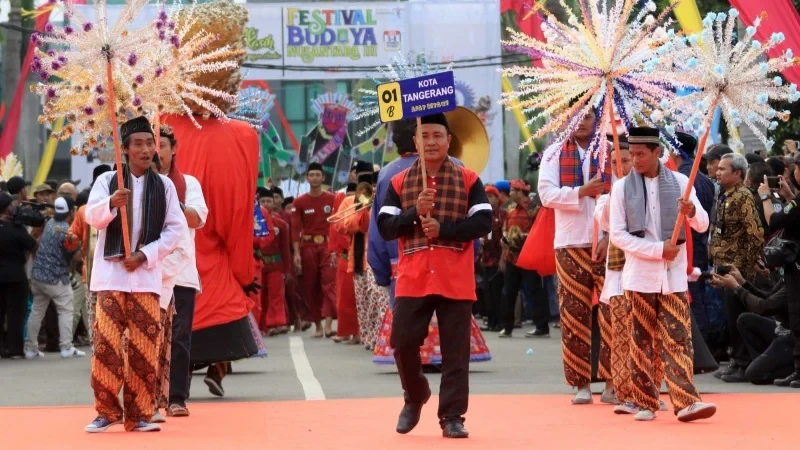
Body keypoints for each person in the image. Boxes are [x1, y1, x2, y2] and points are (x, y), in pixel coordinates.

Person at [377, 113, 493, 439]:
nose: (430, 142)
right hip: (413, 277)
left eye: (437, 135)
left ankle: (452, 416)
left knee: (456, 351)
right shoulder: (398, 182)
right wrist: (414, 213)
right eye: (424, 135)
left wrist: (445, 229)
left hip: (455, 277)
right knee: (402, 342)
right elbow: (385, 227)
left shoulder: (469, 179)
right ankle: (415, 395)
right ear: (415, 141)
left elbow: (484, 222)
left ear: (448, 140)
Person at [84, 116, 186, 433]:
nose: (145, 149)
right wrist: (112, 203)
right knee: (106, 347)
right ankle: (106, 411)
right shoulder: (107, 181)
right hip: (110, 278)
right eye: (138, 144)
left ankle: (139, 414)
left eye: (149, 143)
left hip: (146, 279)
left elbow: (175, 230)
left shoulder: (164, 185)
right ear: (125, 149)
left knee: (144, 349)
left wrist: (144, 254)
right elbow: (91, 217)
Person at [608, 126, 716, 422]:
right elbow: (618, 235)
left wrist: (691, 211)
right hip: (639, 276)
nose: (635, 160)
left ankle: (687, 402)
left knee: (678, 339)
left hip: (673, 277)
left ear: (657, 152)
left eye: (641, 154)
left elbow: (703, 225)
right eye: (632, 154)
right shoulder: (621, 188)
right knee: (641, 341)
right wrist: (658, 249)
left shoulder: (681, 182)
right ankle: (645, 402)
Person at [537, 107, 613, 404]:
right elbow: (546, 195)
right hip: (569, 242)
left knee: (613, 313)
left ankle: (613, 383)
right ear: (568, 119)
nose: (582, 122)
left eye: (588, 117)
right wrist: (582, 191)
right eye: (576, 117)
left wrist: (610, 235)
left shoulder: (610, 150)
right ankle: (580, 384)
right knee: (573, 315)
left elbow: (621, 193)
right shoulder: (554, 153)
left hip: (608, 242)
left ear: (597, 120)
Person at [151, 125, 208, 418]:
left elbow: (197, 219)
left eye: (161, 145)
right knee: (147, 334)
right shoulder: (137, 183)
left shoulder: (189, 183)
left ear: (174, 149)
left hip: (182, 272)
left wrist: (171, 197)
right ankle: (147, 396)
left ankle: (176, 398)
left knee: (180, 335)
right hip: (147, 270)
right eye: (150, 145)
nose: (155, 151)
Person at [710, 153, 765, 382]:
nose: (718, 172)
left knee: (737, 316)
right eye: (719, 168)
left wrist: (744, 268)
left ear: (738, 173)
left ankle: (743, 364)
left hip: (737, 270)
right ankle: (736, 360)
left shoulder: (744, 196)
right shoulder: (725, 194)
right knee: (729, 316)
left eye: (723, 169)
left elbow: (756, 234)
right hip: (723, 265)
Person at [25, 196, 85, 359]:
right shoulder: (66, 230)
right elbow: (75, 256)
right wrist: (81, 245)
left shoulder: (50, 223)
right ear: (71, 211)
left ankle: (30, 348)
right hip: (55, 278)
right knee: (66, 310)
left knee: (37, 311)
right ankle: (66, 347)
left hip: (38, 276)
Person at [758, 164, 800, 387]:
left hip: (796, 268)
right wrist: (790, 197)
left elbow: (774, 221)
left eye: (795, 169)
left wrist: (766, 197)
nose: (792, 174)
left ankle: (799, 371)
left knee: (797, 318)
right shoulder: (796, 200)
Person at [290, 162, 337, 338]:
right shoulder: (299, 202)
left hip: (327, 247)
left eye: (318, 175)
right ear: (307, 178)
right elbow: (295, 229)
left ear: (323, 178)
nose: (315, 178)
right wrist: (296, 254)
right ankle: (317, 325)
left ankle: (328, 325)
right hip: (307, 247)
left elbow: (337, 225)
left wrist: (336, 248)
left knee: (329, 284)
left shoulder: (332, 199)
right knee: (310, 286)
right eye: (312, 175)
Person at [497, 179, 548, 338]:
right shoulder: (510, 210)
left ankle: (542, 327)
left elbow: (540, 229)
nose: (511, 193)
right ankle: (507, 327)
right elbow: (505, 230)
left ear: (520, 192)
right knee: (509, 292)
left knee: (535, 291)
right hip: (512, 257)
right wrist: (505, 243)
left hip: (529, 256)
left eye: (513, 190)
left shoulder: (534, 208)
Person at [0, 192, 37, 359]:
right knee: (15, 314)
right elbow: (33, 245)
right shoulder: (16, 228)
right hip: (16, 276)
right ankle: (15, 349)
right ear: (8, 208)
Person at [257, 187, 291, 336]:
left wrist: (287, 270)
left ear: (274, 203)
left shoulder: (281, 224)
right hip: (259, 265)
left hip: (276, 265)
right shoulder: (254, 222)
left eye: (269, 201)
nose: (266, 204)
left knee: (276, 295)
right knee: (261, 297)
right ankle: (263, 326)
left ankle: (277, 323)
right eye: (263, 201)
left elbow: (285, 249)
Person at [330, 182, 360, 344]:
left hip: (362, 257)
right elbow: (337, 229)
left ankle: (360, 333)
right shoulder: (343, 206)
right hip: (345, 256)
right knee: (344, 297)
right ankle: (346, 331)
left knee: (359, 297)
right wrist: (333, 251)